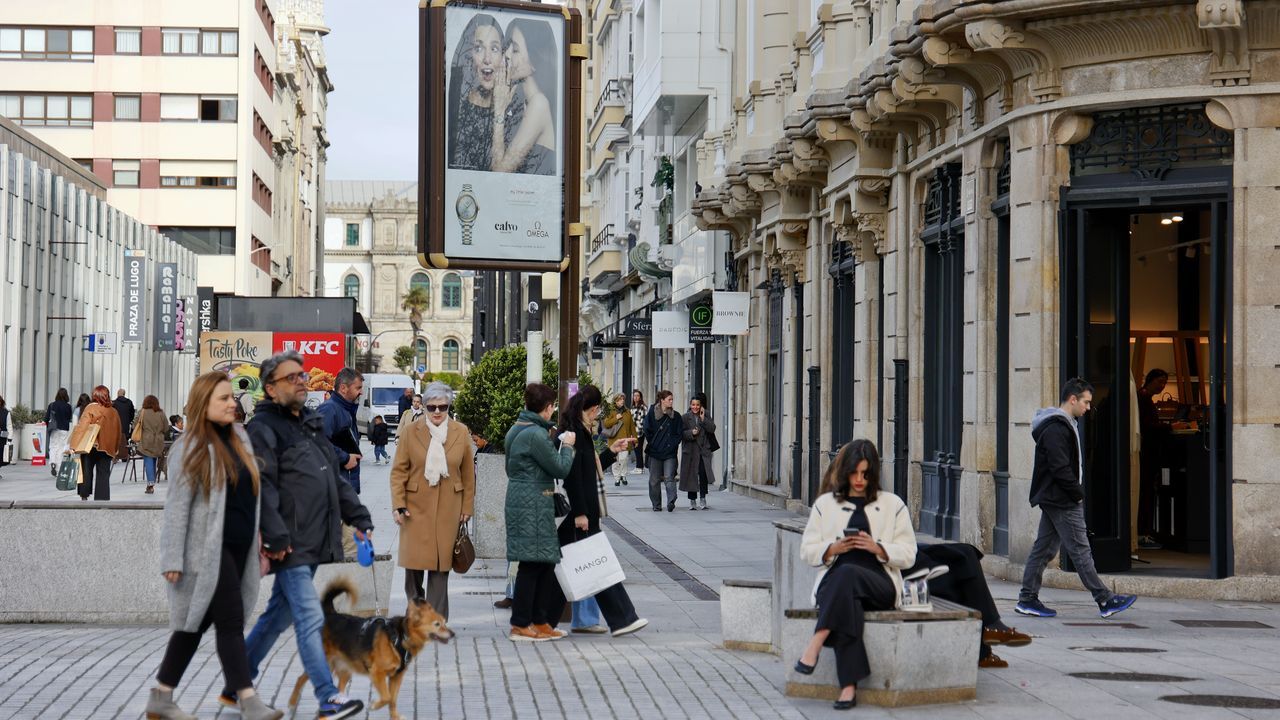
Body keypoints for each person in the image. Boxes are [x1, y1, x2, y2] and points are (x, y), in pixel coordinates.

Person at [230, 350, 372, 720]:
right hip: (288, 541)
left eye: (302, 375)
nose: (301, 381)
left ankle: (235, 684)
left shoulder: (309, 423)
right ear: (272, 388)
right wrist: (276, 535)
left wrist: (357, 515)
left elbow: (331, 477)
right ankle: (328, 698)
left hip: (312, 538)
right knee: (310, 617)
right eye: (291, 377)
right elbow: (265, 485)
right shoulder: (263, 430)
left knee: (278, 615)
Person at [146, 372, 283, 720]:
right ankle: (247, 698)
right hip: (205, 553)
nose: (231, 403)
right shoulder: (189, 447)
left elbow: (251, 495)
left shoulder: (240, 438)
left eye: (231, 398)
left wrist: (268, 536)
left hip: (239, 549)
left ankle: (161, 694)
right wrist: (172, 557)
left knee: (194, 626)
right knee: (232, 621)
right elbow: (177, 507)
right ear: (203, 404)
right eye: (223, 398)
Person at [795, 439, 917, 710]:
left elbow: (909, 553)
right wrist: (833, 548)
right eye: (854, 473)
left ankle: (816, 643)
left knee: (847, 577)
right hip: (837, 580)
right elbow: (807, 550)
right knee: (848, 599)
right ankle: (848, 688)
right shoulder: (825, 504)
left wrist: (878, 548)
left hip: (879, 583)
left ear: (873, 473)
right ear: (845, 471)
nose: (859, 480)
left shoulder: (892, 504)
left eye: (865, 474)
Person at [1016, 378, 1137, 620]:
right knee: (1080, 550)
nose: (1089, 407)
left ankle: (1027, 599)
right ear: (1073, 399)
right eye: (1086, 402)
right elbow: (1060, 467)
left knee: (1043, 549)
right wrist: (1077, 494)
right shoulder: (1056, 428)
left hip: (1055, 496)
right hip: (1062, 498)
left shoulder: (1063, 424)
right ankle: (1104, 599)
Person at [556, 384, 648, 638]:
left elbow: (589, 468)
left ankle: (542, 619)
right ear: (592, 408)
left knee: (567, 571)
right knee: (598, 567)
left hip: (582, 511)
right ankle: (622, 619)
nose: (598, 415)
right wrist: (581, 513)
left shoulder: (580, 430)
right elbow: (575, 476)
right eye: (597, 410)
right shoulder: (576, 432)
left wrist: (612, 451)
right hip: (581, 511)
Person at [390, 382, 475, 621]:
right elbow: (398, 471)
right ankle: (416, 612)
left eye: (443, 407)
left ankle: (437, 619)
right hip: (415, 507)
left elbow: (468, 474)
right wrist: (398, 504)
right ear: (424, 407)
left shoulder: (460, 431)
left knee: (440, 565)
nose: (437, 412)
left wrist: (467, 507)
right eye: (432, 407)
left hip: (449, 506)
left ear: (449, 407)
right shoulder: (410, 431)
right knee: (414, 566)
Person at [503, 382, 577, 642]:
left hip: (525, 500)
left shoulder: (517, 428)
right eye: (552, 406)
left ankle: (540, 621)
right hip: (532, 503)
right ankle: (521, 624)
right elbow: (559, 468)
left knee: (543, 562)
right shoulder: (535, 434)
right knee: (533, 565)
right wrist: (567, 445)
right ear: (547, 408)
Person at [906, 543, 1032, 669]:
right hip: (897, 564)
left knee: (966, 553)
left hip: (906, 550)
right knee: (954, 574)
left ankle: (989, 633)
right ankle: (987, 639)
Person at [490, 19, 557, 175]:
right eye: (508, 47)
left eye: (515, 50)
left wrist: (499, 112)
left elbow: (499, 173)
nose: (506, 55)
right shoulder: (522, 104)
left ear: (534, 61)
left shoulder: (539, 104)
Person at [447, 13, 506, 170]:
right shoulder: (455, 109)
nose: (487, 58)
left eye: (494, 48)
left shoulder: (512, 110)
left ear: (502, 56)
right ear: (470, 56)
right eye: (479, 48)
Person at [1135, 368, 1169, 551]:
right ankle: (1142, 533)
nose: (1162, 386)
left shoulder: (1144, 397)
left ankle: (1143, 532)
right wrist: (1169, 427)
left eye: (1164, 383)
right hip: (1146, 453)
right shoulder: (1143, 399)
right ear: (1150, 380)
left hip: (1147, 453)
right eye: (1160, 382)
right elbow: (1148, 426)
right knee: (1145, 491)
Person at [316, 367, 363, 494]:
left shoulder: (345, 410)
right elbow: (317, 442)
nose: (361, 392)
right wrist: (345, 458)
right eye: (358, 388)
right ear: (343, 388)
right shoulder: (329, 409)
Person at [74, 386, 123, 502]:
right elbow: (118, 430)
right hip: (106, 447)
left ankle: (84, 495)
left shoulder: (89, 408)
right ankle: (102, 498)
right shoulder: (113, 411)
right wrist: (115, 449)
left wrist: (74, 446)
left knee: (86, 470)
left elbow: (82, 427)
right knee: (103, 474)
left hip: (89, 445)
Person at [644, 390, 683, 512]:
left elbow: (679, 434)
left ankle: (671, 500)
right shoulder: (652, 413)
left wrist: (672, 445)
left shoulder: (676, 416)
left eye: (672, 399)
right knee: (654, 480)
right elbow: (647, 429)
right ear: (662, 400)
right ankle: (656, 504)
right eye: (669, 399)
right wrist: (654, 443)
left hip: (669, 453)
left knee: (669, 477)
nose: (671, 401)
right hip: (655, 452)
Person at [679, 393, 717, 511]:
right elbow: (681, 434)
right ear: (690, 405)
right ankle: (692, 500)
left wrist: (703, 419)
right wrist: (691, 433)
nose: (695, 407)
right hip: (690, 451)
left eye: (697, 405)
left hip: (703, 451)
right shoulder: (685, 417)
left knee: (703, 474)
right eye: (693, 405)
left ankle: (703, 498)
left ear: (701, 406)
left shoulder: (706, 414)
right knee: (691, 475)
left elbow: (712, 429)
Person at [603, 393, 637, 487]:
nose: (622, 401)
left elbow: (632, 427)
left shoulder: (627, 412)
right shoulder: (611, 411)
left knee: (624, 459)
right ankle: (617, 478)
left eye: (623, 399)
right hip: (613, 440)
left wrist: (635, 440)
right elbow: (606, 424)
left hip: (625, 440)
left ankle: (623, 475)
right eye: (620, 399)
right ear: (615, 401)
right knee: (615, 461)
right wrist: (616, 418)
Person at [138, 395, 169, 494]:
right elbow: (166, 428)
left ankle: (150, 484)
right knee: (154, 460)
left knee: (148, 460)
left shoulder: (142, 412)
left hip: (146, 439)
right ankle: (151, 482)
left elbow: (136, 425)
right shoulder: (161, 413)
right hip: (158, 440)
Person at [44, 388, 73, 478]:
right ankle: (59, 468)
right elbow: (69, 418)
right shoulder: (68, 406)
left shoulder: (52, 405)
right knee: (62, 448)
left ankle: (53, 462)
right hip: (64, 429)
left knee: (53, 446)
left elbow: (46, 418)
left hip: (54, 429)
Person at [113, 388, 136, 460]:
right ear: (124, 394)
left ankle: (116, 456)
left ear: (118, 394)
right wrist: (129, 421)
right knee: (125, 440)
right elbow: (132, 414)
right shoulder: (129, 402)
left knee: (116, 440)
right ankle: (125, 457)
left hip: (116, 425)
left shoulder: (114, 403)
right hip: (126, 425)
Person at [630, 390, 647, 474]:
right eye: (634, 396)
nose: (635, 397)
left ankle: (639, 468)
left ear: (640, 397)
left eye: (637, 396)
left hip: (639, 432)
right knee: (636, 449)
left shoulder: (643, 407)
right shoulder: (633, 407)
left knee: (638, 449)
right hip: (633, 432)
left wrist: (637, 430)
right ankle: (639, 467)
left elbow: (643, 421)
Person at [0, 395, 9, 478]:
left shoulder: (5, 412)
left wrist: (10, 438)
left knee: (0, 455)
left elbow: (9, 425)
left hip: (2, 437)